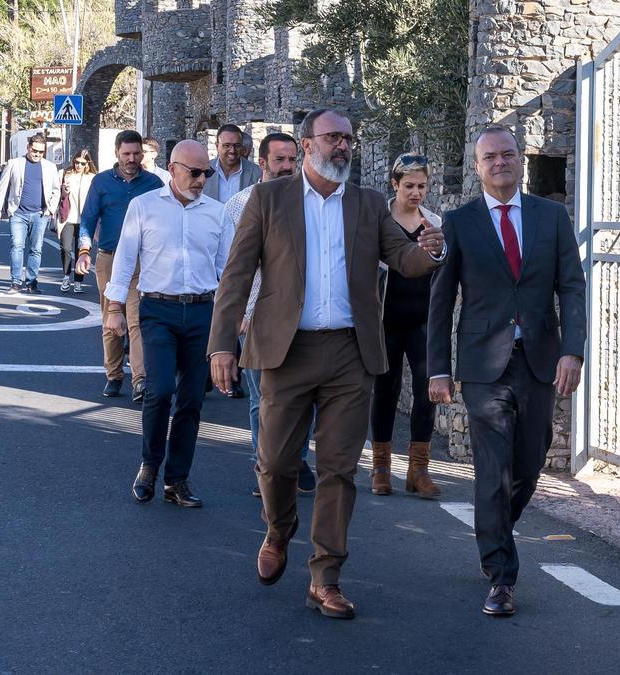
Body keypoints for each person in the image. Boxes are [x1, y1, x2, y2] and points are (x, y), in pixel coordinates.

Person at [208, 108, 446, 620]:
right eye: (332, 137)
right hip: (285, 352)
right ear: (307, 143)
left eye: (348, 138)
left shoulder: (367, 204)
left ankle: (326, 577)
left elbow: (402, 261)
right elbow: (236, 275)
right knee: (274, 463)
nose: (342, 145)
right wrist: (221, 345)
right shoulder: (268, 200)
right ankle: (278, 529)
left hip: (348, 354)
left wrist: (430, 251)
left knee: (339, 470)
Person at [428, 127, 586, 618]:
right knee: (492, 470)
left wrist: (572, 352)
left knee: (530, 462)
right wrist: (438, 370)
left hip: (539, 358)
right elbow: (440, 302)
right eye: (489, 157)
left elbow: (572, 288)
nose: (500, 162)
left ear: (520, 160)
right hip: (482, 366)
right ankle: (500, 576)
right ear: (477, 167)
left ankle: (493, 529)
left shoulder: (552, 217)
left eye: (508, 154)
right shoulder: (459, 223)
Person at [96, 140, 230, 508]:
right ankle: (149, 465)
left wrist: (233, 318)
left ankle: (177, 479)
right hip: (157, 310)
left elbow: (228, 271)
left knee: (191, 400)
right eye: (194, 172)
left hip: (203, 313)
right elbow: (124, 260)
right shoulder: (144, 207)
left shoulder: (218, 214)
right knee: (158, 392)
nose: (201, 179)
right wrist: (114, 308)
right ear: (173, 169)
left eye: (207, 172)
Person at [223, 132, 316, 497]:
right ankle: (264, 467)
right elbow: (231, 269)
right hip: (256, 320)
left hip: (302, 319)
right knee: (263, 397)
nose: (288, 167)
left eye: (293, 160)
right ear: (261, 163)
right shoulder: (240, 205)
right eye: (280, 160)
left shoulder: (310, 203)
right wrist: (240, 316)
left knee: (305, 396)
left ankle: (295, 459)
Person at [368, 154, 443, 499]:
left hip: (423, 318)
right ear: (394, 184)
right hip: (386, 318)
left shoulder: (434, 223)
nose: (416, 193)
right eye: (409, 185)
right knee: (386, 389)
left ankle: (419, 470)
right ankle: (381, 468)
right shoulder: (378, 221)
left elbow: (444, 270)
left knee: (428, 390)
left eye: (422, 186)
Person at [75, 130, 164, 400]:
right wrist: (84, 250)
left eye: (136, 153)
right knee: (111, 320)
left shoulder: (153, 183)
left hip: (143, 261)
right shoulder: (102, 182)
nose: (131, 158)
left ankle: (140, 380)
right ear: (117, 153)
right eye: (126, 153)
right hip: (109, 258)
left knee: (138, 320)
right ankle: (113, 375)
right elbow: (88, 218)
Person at [0, 134, 59, 295]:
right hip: (18, 214)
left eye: (41, 152)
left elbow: (56, 190)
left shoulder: (50, 167)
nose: (37, 154)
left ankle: (31, 282)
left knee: (36, 249)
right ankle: (15, 282)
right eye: (34, 150)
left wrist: (50, 209)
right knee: (17, 246)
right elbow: (2, 186)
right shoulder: (14, 164)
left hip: (40, 214)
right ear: (28, 147)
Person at [57, 150, 96, 293]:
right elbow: (57, 195)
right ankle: (66, 276)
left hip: (85, 220)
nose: (78, 165)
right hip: (68, 218)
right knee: (65, 248)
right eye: (76, 162)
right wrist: (63, 191)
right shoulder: (65, 174)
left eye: (82, 163)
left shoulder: (93, 178)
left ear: (88, 164)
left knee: (82, 250)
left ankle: (78, 281)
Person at [202, 124, 261, 203]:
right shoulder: (203, 171)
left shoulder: (257, 173)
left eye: (237, 146)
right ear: (217, 146)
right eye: (226, 145)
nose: (232, 150)